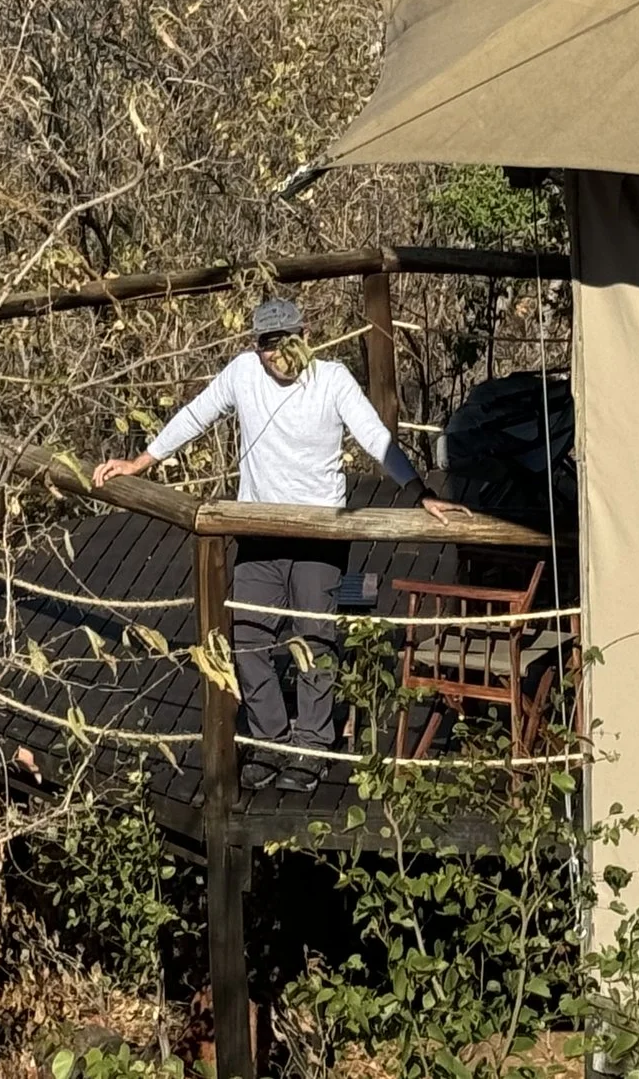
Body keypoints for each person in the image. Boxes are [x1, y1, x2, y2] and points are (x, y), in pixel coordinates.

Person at [93, 297, 464, 792]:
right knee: (248, 640)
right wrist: (142, 461)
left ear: (304, 333)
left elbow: (377, 438)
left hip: (319, 534)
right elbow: (196, 414)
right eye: (269, 344)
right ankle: (270, 739)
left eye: (288, 340)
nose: (280, 353)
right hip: (258, 529)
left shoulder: (332, 380)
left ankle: (311, 743)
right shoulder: (243, 373)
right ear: (257, 346)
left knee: (315, 639)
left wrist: (420, 493)